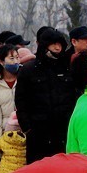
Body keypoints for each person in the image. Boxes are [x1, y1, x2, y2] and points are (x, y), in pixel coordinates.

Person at [14, 28, 77, 163]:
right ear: (44, 45)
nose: (57, 47)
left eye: (60, 44)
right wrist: (27, 127)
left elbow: (73, 96)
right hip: (37, 133)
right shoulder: (29, 70)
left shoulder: (67, 68)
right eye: (53, 44)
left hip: (63, 131)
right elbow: (21, 100)